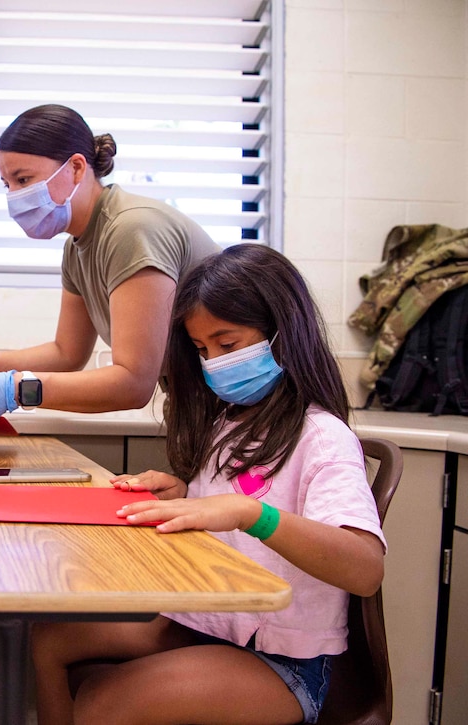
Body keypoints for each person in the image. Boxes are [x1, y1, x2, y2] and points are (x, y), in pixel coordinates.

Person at [30, 244, 387, 725]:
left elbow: (364, 568)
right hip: (208, 627)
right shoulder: (231, 424)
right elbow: (237, 501)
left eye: (228, 344)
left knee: (105, 701)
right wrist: (183, 494)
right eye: (202, 350)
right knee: (50, 641)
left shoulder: (323, 438)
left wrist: (250, 515)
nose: (214, 362)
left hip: (284, 662)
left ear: (284, 334)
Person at [0, 104, 221, 422]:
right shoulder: (77, 247)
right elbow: (67, 354)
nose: (14, 196)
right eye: (7, 184)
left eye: (24, 179)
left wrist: (13, 389)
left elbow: (134, 383)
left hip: (241, 410)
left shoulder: (131, 229)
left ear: (76, 168)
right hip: (196, 406)